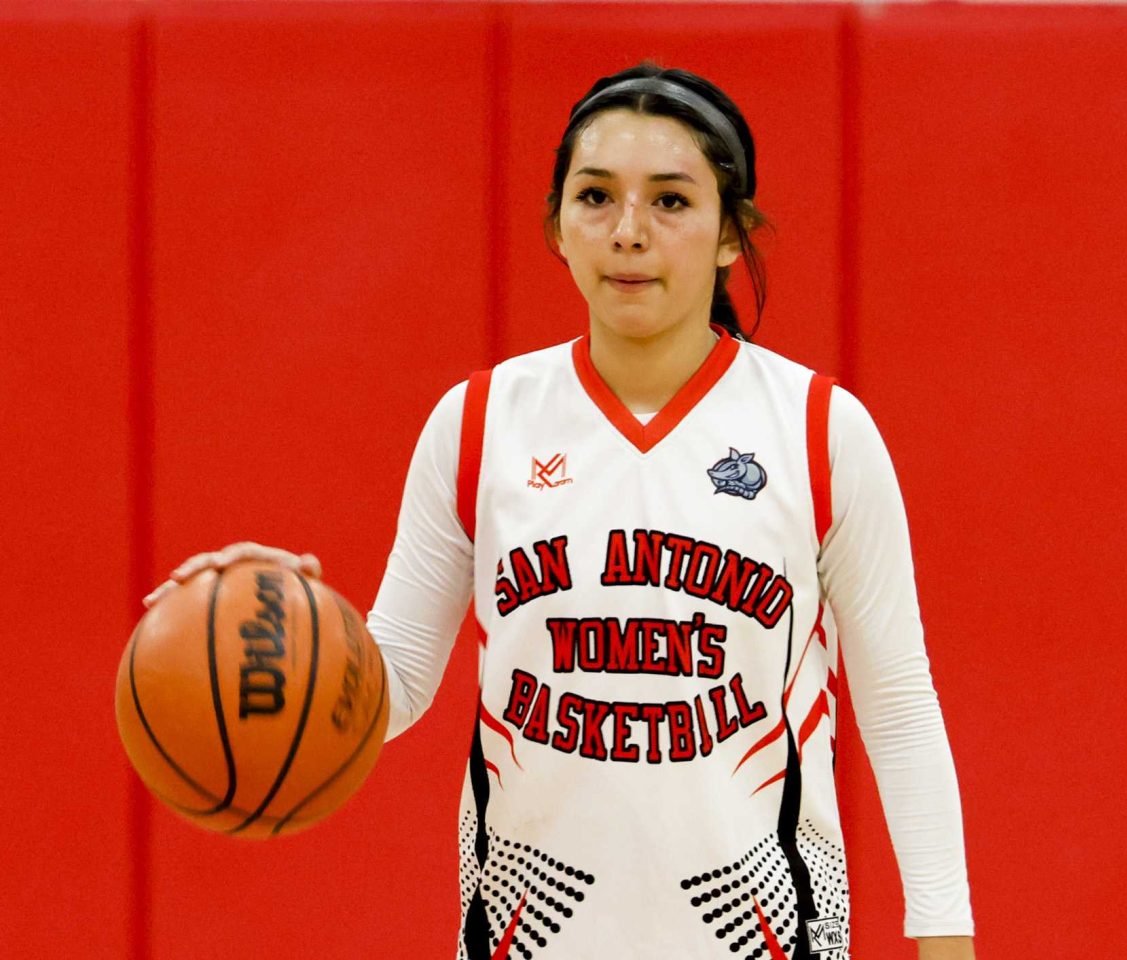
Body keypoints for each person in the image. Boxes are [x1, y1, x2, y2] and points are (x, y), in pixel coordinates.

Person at [145, 63, 975, 960]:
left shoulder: (819, 431)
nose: (629, 232)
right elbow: (393, 688)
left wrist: (944, 931)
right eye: (596, 197)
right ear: (556, 227)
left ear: (732, 233)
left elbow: (899, 707)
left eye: (670, 201)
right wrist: (278, 621)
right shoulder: (478, 423)